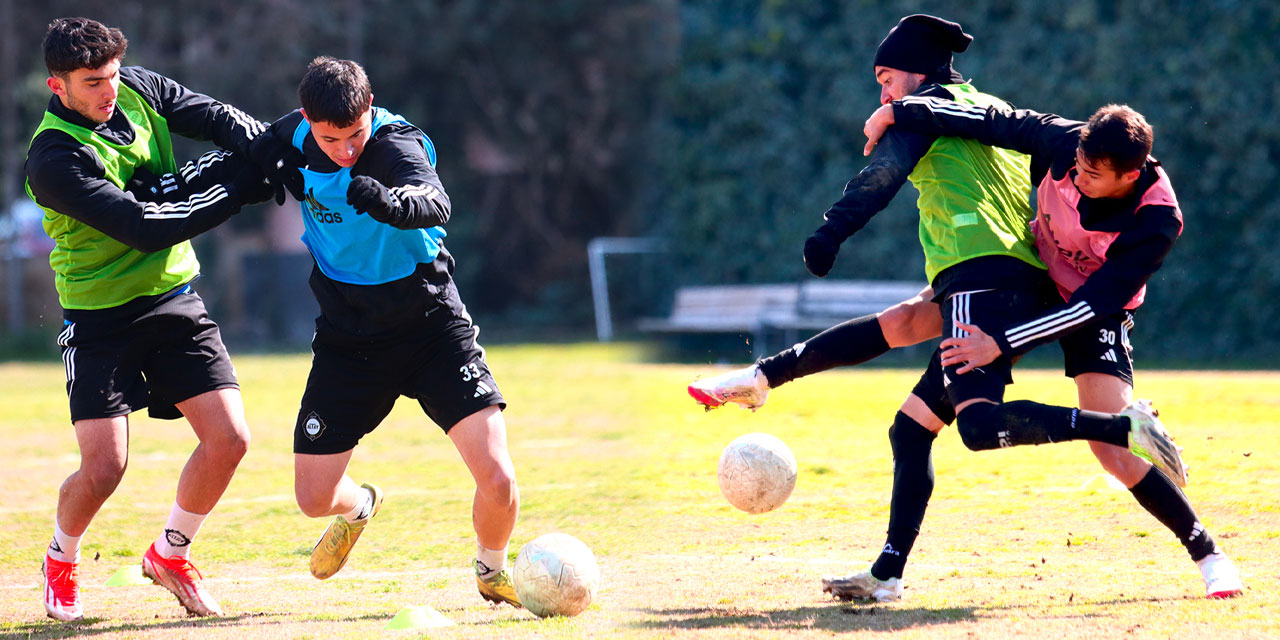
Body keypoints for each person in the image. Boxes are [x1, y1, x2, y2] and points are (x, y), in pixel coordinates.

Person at [688, 14, 1191, 603]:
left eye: (887, 79)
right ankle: (882, 566)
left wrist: (829, 233)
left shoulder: (933, 107)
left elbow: (883, 173)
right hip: (1009, 274)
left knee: (989, 427)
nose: (881, 92)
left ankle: (1124, 428)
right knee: (909, 414)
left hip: (1001, 280)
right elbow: (990, 125)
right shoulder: (984, 107)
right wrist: (899, 109)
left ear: (918, 74)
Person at [25, 17, 281, 620]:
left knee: (229, 439)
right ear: (56, 86)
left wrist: (274, 152)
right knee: (105, 468)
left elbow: (215, 117)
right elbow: (144, 226)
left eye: (111, 75)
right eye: (91, 82)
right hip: (98, 320)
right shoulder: (54, 158)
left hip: (172, 299)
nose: (108, 90)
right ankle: (61, 560)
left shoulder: (136, 88)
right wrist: (242, 186)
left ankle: (171, 552)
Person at [252, 57, 522, 608]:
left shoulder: (397, 146)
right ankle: (359, 507)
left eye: (356, 134)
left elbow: (436, 201)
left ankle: (491, 571)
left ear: (369, 110)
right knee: (312, 498)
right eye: (332, 139)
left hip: (431, 328)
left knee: (499, 481)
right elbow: (231, 133)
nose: (347, 150)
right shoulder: (291, 136)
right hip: (349, 340)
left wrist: (390, 202)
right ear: (308, 120)